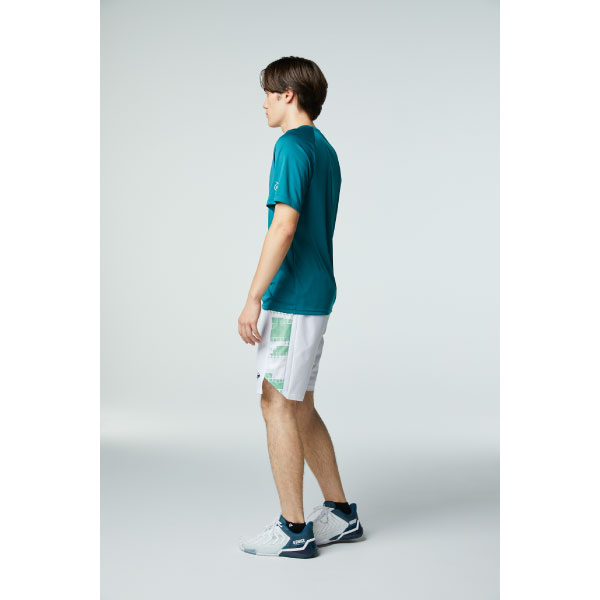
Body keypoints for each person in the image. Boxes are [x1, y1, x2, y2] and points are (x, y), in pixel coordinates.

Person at [237, 56, 364, 558]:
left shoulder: (290, 145)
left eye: (269, 93)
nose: (264, 104)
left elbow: (284, 225)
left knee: (276, 405)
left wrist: (253, 297)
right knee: (300, 406)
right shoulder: (324, 148)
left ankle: (294, 530)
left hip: (292, 298)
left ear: (288, 94)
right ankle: (341, 514)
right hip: (315, 294)